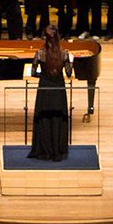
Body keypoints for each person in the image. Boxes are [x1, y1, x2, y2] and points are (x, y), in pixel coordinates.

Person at [28, 23, 74, 162]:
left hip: (44, 90)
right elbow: (68, 73)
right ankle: (57, 149)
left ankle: (44, 149)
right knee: (57, 118)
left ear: (45, 38)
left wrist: (44, 76)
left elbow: (33, 72)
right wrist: (71, 61)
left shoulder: (40, 53)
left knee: (44, 118)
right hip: (58, 90)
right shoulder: (64, 54)